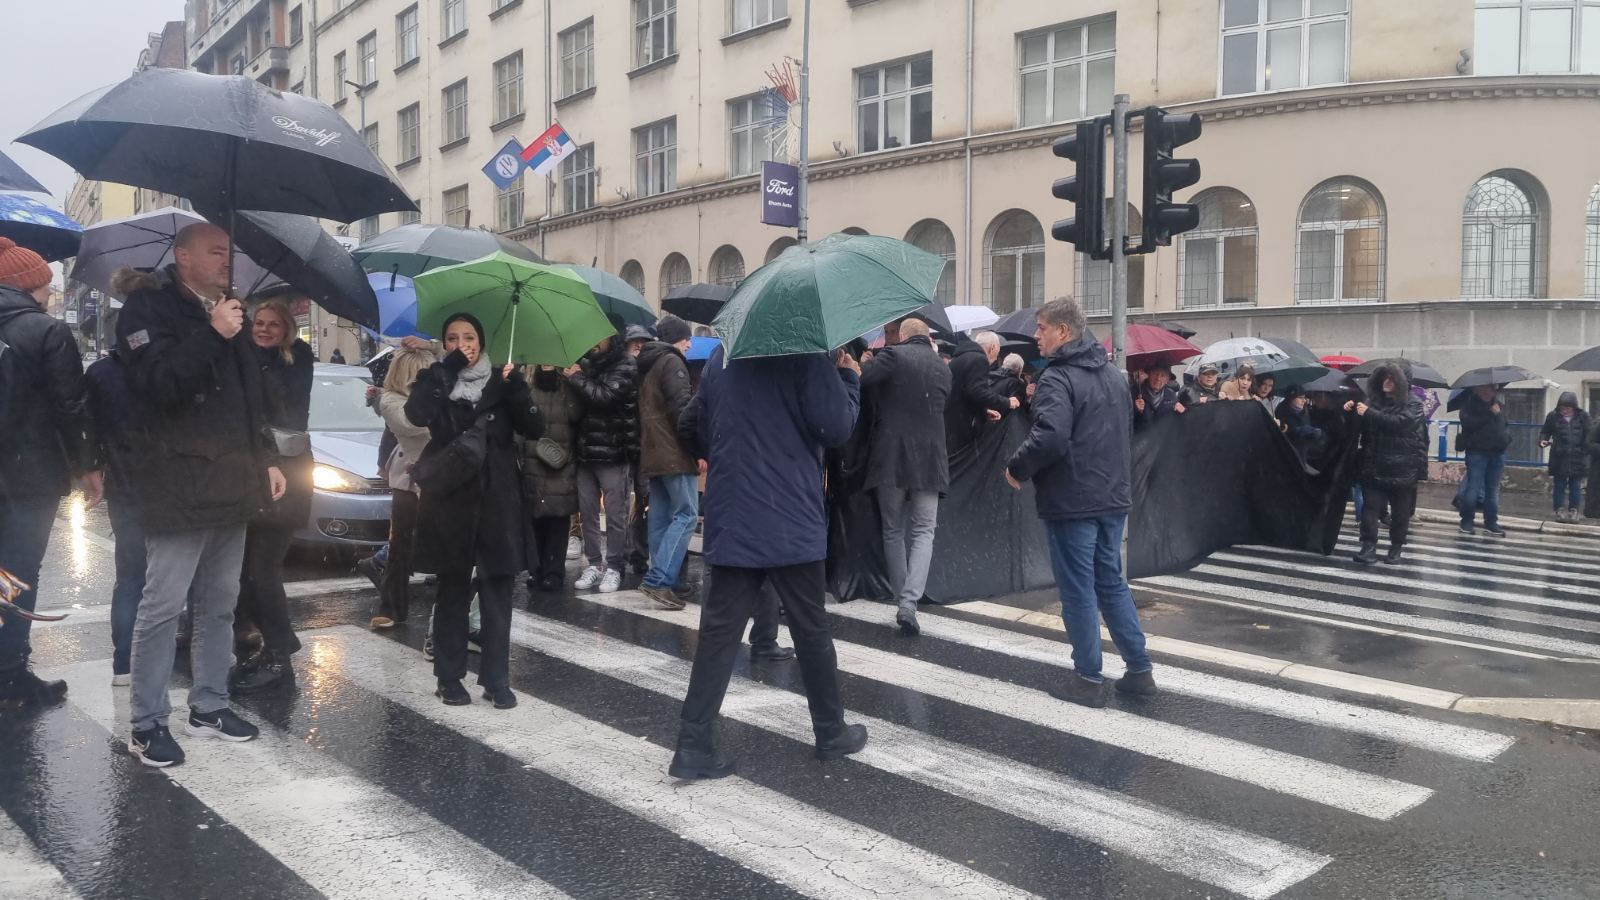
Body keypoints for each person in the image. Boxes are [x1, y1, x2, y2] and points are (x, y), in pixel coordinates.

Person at [116, 223, 284, 766]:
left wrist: (268, 461)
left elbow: (249, 401)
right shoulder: (147, 311)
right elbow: (160, 387)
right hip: (177, 484)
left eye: (229, 253)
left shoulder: (231, 310)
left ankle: (209, 703)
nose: (226, 261)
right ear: (182, 257)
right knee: (162, 608)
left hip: (233, 481)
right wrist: (212, 333)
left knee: (220, 604)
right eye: (215, 252)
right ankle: (146, 722)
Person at [669, 344, 867, 779]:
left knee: (718, 637)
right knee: (810, 628)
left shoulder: (725, 355)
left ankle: (692, 743)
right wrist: (848, 379)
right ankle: (830, 732)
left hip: (733, 516)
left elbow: (689, 423)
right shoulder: (805, 356)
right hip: (789, 518)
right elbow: (836, 428)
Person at [1005, 297, 1154, 709]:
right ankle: (1139, 669)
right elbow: (1124, 432)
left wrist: (1017, 467)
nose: (1036, 337)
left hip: (1073, 499)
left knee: (1077, 590)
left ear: (1063, 332)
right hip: (1112, 497)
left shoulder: (1057, 378)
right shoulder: (1111, 375)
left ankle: (1088, 678)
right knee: (1111, 582)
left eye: (1042, 329)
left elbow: (1050, 436)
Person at [405, 313, 544, 709]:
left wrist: (517, 387)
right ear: (444, 343)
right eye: (452, 338)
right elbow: (417, 415)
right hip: (451, 498)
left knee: (498, 589)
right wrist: (445, 369)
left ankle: (497, 679)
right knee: (452, 588)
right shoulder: (436, 378)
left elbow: (535, 428)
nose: (461, 344)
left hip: (498, 497)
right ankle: (448, 676)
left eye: (469, 337)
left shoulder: (503, 380)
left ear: (482, 343)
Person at [0, 237, 99, 709]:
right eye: (45, 279)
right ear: (32, 285)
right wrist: (88, 468)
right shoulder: (45, 331)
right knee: (16, 574)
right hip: (27, 477)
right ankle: (9, 675)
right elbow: (72, 407)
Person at [229, 296, 314, 691]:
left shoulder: (297, 361)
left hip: (288, 477)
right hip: (253, 474)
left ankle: (280, 657)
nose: (262, 329)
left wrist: (254, 362)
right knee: (246, 573)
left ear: (287, 330)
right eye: (257, 323)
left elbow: (283, 411)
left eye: (272, 324)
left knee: (263, 571)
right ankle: (278, 643)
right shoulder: (245, 356)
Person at [859, 318, 952, 636]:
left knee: (893, 530)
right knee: (925, 531)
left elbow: (864, 382)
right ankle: (910, 603)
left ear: (901, 336)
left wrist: (863, 362)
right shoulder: (943, 367)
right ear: (928, 338)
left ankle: (902, 601)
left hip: (892, 458)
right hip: (930, 460)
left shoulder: (893, 356)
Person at [635, 316, 700, 610]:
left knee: (660, 520)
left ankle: (660, 578)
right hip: (674, 453)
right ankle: (660, 580)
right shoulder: (673, 363)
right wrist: (698, 449)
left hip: (652, 452)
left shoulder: (647, 364)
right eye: (686, 338)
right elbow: (682, 411)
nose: (689, 343)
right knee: (686, 514)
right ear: (675, 338)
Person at [85, 347, 141, 686]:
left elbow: (86, 423)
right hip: (173, 485)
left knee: (131, 576)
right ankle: (197, 650)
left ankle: (124, 662)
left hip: (123, 482)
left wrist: (93, 466)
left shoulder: (101, 373)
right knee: (186, 573)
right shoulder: (168, 365)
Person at [568, 335, 639, 594]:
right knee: (587, 511)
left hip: (614, 449)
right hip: (586, 450)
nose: (595, 342)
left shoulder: (626, 364)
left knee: (615, 513)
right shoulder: (588, 363)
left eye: (601, 338)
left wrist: (576, 378)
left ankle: (615, 567)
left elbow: (605, 397)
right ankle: (594, 565)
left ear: (613, 339)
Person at [372, 347, 436, 627]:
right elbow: (412, 424)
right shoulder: (390, 400)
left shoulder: (440, 398)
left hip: (443, 474)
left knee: (444, 544)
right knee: (401, 542)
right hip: (408, 477)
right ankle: (390, 607)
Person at [1347, 364, 1425, 565]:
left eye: (1392, 378)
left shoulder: (1414, 404)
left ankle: (1396, 547)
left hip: (1403, 469)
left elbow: (1401, 423)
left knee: (1400, 513)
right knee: (1370, 508)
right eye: (1384, 378)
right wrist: (1350, 412)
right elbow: (1360, 427)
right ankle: (1368, 546)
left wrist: (1369, 413)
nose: (1387, 382)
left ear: (1403, 382)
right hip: (1374, 465)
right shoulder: (1372, 402)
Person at [522, 363, 583, 595]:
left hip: (561, 459)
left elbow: (576, 414)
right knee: (535, 517)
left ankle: (553, 572)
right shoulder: (527, 385)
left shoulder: (568, 385)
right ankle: (536, 570)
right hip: (533, 458)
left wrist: (573, 380)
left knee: (558, 518)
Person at [944, 330, 1019, 456]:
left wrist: (983, 410)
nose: (997, 356)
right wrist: (1007, 402)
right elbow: (978, 391)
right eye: (998, 351)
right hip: (962, 428)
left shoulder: (961, 357)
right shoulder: (979, 359)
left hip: (951, 424)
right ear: (993, 348)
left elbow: (966, 392)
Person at [1454, 384, 1510, 536]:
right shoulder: (1469, 405)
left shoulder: (1498, 405)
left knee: (1492, 490)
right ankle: (1466, 522)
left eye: (1492, 389)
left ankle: (1491, 522)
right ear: (1476, 389)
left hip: (1497, 453)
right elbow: (1469, 424)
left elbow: (1504, 425)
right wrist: (1489, 414)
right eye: (1485, 389)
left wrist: (1506, 439)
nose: (1488, 392)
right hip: (1477, 452)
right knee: (1473, 487)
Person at [624, 324, 654, 576]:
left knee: (644, 501)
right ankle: (627, 552)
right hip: (623, 445)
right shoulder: (619, 371)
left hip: (644, 446)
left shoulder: (651, 371)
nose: (638, 346)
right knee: (623, 502)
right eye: (635, 341)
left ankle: (639, 554)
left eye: (643, 342)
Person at [1541, 392, 1592, 523]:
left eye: (1568, 408)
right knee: (1559, 485)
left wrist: (1584, 449)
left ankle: (1574, 510)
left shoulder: (1583, 417)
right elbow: (1545, 431)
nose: (1565, 411)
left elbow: (1589, 434)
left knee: (1575, 486)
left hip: (1577, 457)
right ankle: (1559, 510)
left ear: (1574, 407)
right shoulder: (1553, 416)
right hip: (1559, 457)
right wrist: (1543, 440)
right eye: (1563, 407)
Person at [1275, 385, 1325, 464]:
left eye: (1304, 397)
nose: (1304, 400)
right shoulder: (1281, 412)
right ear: (1291, 398)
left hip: (1303, 456)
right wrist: (1297, 430)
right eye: (1300, 398)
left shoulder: (1304, 412)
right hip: (1286, 457)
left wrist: (1316, 433)